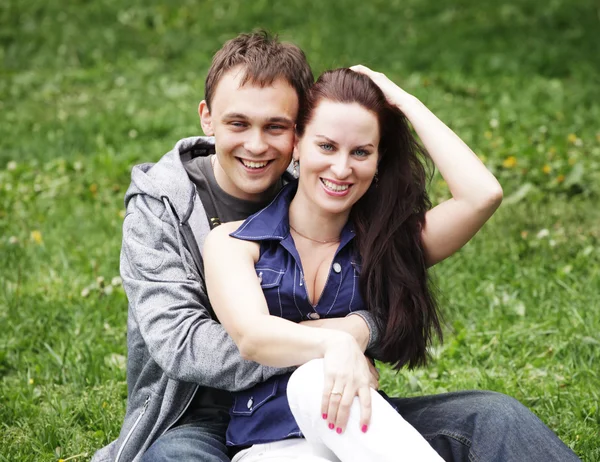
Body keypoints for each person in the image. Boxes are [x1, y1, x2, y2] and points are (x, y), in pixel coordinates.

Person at [92, 31, 581, 462]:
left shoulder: (339, 202)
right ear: (208, 119)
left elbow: (480, 196)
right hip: (199, 414)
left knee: (492, 417)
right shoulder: (169, 213)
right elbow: (186, 344)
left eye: (276, 127)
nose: (258, 145)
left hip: (334, 407)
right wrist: (338, 340)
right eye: (238, 123)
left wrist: (399, 102)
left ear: (297, 134)